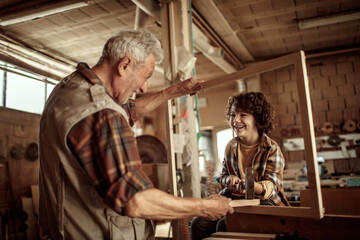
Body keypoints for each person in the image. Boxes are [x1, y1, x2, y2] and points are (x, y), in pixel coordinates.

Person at [38, 29, 233, 240]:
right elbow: (136, 200)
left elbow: (128, 110)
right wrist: (205, 207)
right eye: (146, 76)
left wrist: (174, 91)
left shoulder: (70, 89)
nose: (143, 87)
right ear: (124, 65)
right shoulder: (101, 114)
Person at [190, 91, 290, 240]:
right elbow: (222, 177)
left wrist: (251, 186)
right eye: (232, 115)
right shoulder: (231, 146)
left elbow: (273, 186)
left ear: (257, 118)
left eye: (243, 115)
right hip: (235, 202)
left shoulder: (271, 148)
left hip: (265, 204)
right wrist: (228, 180)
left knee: (224, 225)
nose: (235, 120)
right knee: (198, 223)